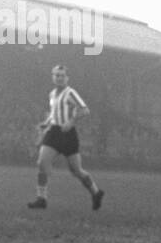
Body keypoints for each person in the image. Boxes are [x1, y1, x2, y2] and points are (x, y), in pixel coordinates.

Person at [27, 64, 104, 210]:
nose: (59, 78)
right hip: (54, 132)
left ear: (67, 78)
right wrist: (46, 123)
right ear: (53, 76)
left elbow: (85, 110)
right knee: (42, 163)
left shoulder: (70, 93)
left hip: (68, 135)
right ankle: (41, 199)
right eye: (57, 75)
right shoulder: (52, 94)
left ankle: (96, 192)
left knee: (76, 170)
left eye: (62, 75)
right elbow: (53, 113)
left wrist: (71, 121)